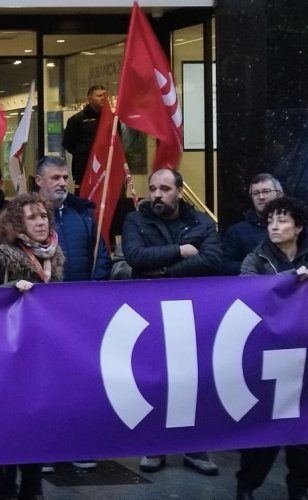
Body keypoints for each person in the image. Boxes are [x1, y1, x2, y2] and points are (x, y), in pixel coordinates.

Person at [236, 196, 308, 500]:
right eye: (270, 221)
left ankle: (300, 489)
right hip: (266, 362)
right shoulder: (254, 260)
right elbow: (248, 298)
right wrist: (289, 280)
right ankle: (247, 486)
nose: (274, 226)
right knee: (262, 436)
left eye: (282, 220)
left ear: (298, 228)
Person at [121, 168, 222, 476]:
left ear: (179, 191)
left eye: (164, 189)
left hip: (192, 310)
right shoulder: (135, 220)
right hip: (150, 310)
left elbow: (212, 260)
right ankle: (156, 445)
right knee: (155, 378)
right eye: (152, 188)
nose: (157, 195)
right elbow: (136, 256)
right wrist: (180, 251)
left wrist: (164, 271)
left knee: (193, 378)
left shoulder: (200, 222)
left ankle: (195, 447)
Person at [0, 193, 63, 500]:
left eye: (43, 216)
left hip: (39, 354)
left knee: (36, 421)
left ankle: (33, 487)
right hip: (5, 355)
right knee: (7, 424)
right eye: (32, 217)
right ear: (17, 223)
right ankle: (5, 488)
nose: (40, 222)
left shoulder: (53, 255)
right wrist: (11, 289)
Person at [31, 155, 107, 471]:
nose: (63, 183)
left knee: (79, 381)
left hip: (79, 315)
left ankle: (79, 443)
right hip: (41, 317)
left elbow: (100, 258)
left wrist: (92, 297)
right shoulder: (22, 217)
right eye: (56, 178)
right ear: (39, 181)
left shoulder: (84, 217)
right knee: (44, 383)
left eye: (65, 177)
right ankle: (46, 446)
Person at [221, 173, 308, 275]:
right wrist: (261, 268)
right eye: (256, 193)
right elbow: (227, 267)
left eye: (266, 191)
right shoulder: (238, 233)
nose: (261, 197)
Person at [61, 85, 108, 186]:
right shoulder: (77, 120)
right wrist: (82, 152)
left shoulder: (112, 119)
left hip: (107, 168)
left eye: (104, 95)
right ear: (89, 98)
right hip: (84, 168)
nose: (103, 98)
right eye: (99, 95)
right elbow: (68, 143)